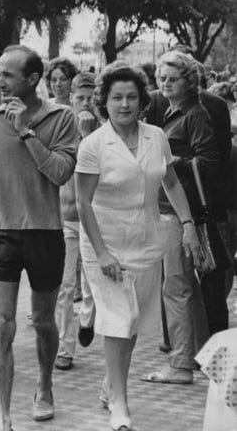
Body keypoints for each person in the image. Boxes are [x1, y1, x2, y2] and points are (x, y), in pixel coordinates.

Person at [76, 63, 201, 431]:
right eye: (117, 98)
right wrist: (101, 252)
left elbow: (172, 183)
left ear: (142, 100)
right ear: (105, 102)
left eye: (131, 97)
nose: (125, 104)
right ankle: (120, 403)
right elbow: (83, 203)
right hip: (103, 239)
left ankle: (109, 385)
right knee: (117, 319)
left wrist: (189, 225)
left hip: (147, 237)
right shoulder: (93, 145)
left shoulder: (156, 137)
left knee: (131, 321)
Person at [0, 45, 78, 431]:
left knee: (44, 321)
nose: (0, 81)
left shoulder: (62, 118)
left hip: (46, 232)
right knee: (4, 323)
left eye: (8, 75)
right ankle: (3, 414)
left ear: (32, 80)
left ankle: (44, 386)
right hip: (0, 234)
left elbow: (60, 172)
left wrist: (25, 131)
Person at [142, 50, 220, 385]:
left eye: (172, 78)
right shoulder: (173, 111)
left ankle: (181, 363)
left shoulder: (194, 113)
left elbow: (210, 159)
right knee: (185, 285)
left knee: (177, 287)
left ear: (188, 82)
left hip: (179, 209)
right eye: (161, 78)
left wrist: (172, 160)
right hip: (170, 207)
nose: (165, 83)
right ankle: (201, 356)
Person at [54, 71, 99, 372]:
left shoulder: (105, 133)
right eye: (79, 97)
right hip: (65, 218)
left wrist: (88, 134)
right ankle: (63, 346)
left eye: (90, 98)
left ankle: (88, 319)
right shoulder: (60, 127)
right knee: (65, 285)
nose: (84, 103)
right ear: (70, 98)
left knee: (94, 282)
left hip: (94, 219)